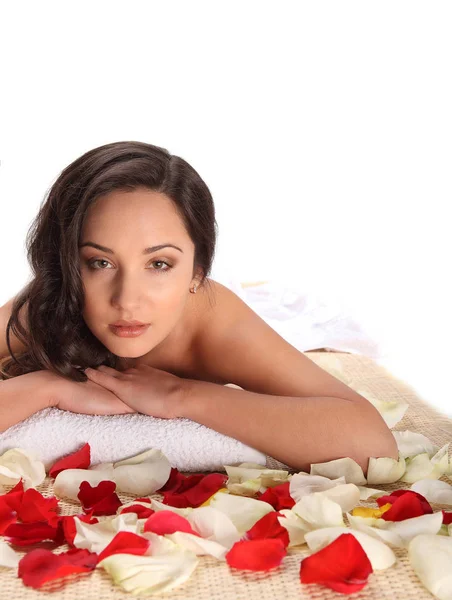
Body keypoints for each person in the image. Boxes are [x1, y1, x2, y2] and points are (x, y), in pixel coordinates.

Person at [0, 141, 399, 472]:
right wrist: (47, 387)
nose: (127, 300)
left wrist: (182, 395)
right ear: (68, 266)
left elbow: (372, 445)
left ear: (197, 271)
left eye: (159, 264)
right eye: (100, 263)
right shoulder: (54, 304)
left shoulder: (216, 326)